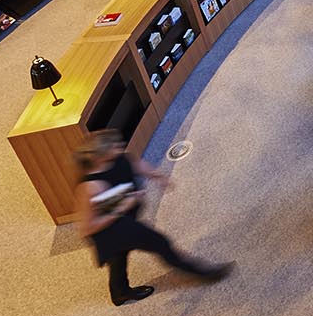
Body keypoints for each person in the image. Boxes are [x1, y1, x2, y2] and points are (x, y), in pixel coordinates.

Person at [73, 129, 232, 305]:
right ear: (100, 157)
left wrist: (158, 177)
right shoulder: (90, 187)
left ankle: (119, 293)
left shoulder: (120, 159)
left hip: (124, 217)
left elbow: (136, 165)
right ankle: (203, 273)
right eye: (114, 146)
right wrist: (121, 207)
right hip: (112, 230)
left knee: (118, 258)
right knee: (160, 243)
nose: (120, 146)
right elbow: (88, 227)